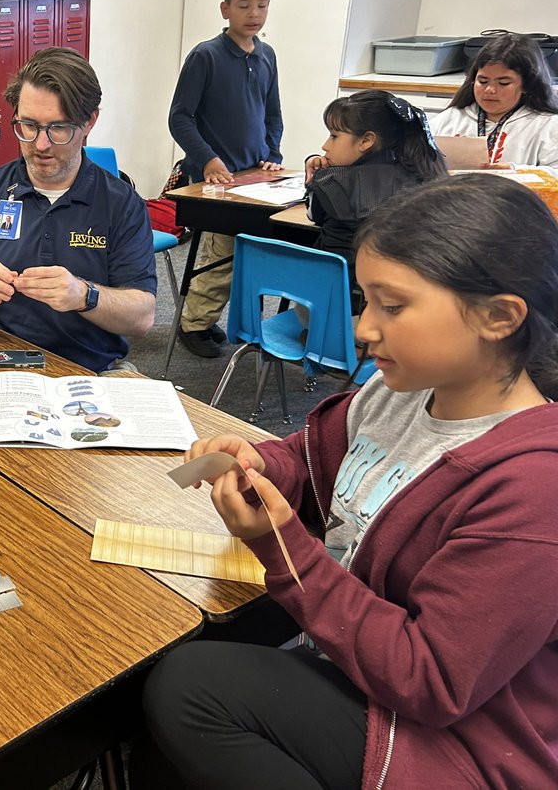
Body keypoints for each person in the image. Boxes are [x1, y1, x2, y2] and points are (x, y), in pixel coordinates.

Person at [135, 174, 558, 789]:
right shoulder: (395, 394)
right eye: (365, 300)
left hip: (459, 743)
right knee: (165, 665)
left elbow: (431, 682)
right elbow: (308, 460)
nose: (363, 328)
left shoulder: (532, 490)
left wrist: (284, 547)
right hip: (355, 664)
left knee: (192, 689)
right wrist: (257, 464)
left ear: (498, 317)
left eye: (393, 306)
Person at [0, 46, 156, 375]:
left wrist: (83, 295)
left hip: (89, 370)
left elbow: (142, 317)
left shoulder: (121, 205)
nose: (40, 145)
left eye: (58, 128)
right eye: (28, 125)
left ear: (89, 122)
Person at [169, 0, 283, 358]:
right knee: (221, 254)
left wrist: (272, 156)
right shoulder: (206, 56)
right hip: (217, 180)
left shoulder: (266, 55)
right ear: (225, 9)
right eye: (244, 5)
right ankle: (193, 324)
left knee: (247, 251)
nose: (254, 13)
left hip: (255, 176)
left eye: (262, 5)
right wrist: (209, 160)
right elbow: (180, 117)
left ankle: (207, 316)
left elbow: (272, 115)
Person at [304, 90, 446, 301]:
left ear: (366, 141)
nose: (325, 146)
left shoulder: (333, 182)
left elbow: (313, 215)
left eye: (334, 136)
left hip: (325, 304)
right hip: (393, 305)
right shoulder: (424, 176)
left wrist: (314, 177)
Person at [430, 32, 558, 167]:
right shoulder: (450, 119)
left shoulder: (547, 125)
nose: (490, 90)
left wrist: (515, 171)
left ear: (526, 85)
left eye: (503, 83)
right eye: (483, 81)